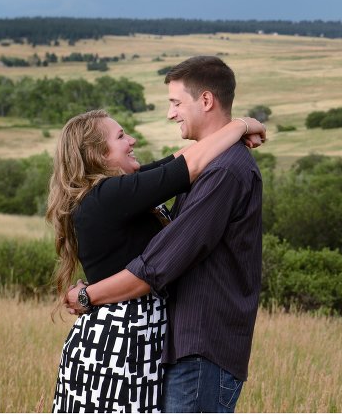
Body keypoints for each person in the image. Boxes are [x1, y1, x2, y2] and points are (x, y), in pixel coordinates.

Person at [64, 56, 264, 413]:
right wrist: (238, 126)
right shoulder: (112, 194)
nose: (170, 114)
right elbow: (180, 167)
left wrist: (87, 296)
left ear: (205, 101)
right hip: (129, 346)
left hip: (197, 345)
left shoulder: (223, 170)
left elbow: (156, 265)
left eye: (175, 103)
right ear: (97, 154)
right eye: (122, 135)